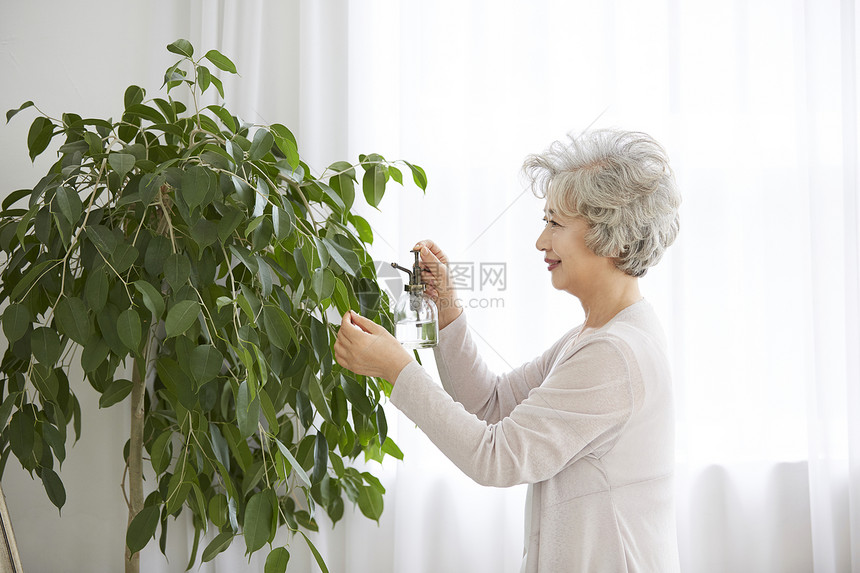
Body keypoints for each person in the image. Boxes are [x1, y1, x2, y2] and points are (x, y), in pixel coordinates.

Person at [334, 128, 682, 572]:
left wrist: (396, 369)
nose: (541, 241)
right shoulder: (600, 334)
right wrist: (446, 308)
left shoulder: (614, 354)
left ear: (612, 238)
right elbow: (489, 404)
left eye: (556, 223)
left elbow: (495, 457)